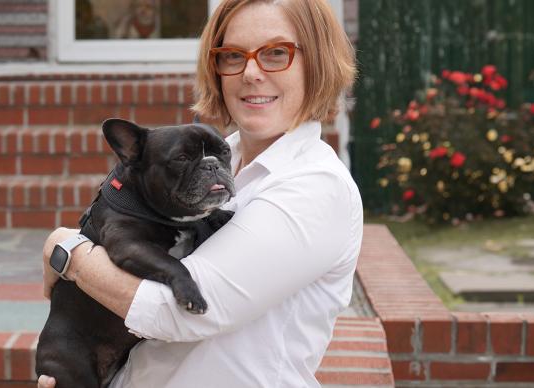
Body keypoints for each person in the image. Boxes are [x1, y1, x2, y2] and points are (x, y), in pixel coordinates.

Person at [39, 0, 361, 386]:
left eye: (277, 53)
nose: (252, 72)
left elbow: (176, 312)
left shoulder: (314, 187)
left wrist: (66, 251)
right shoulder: (222, 156)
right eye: (233, 56)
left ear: (318, 62)